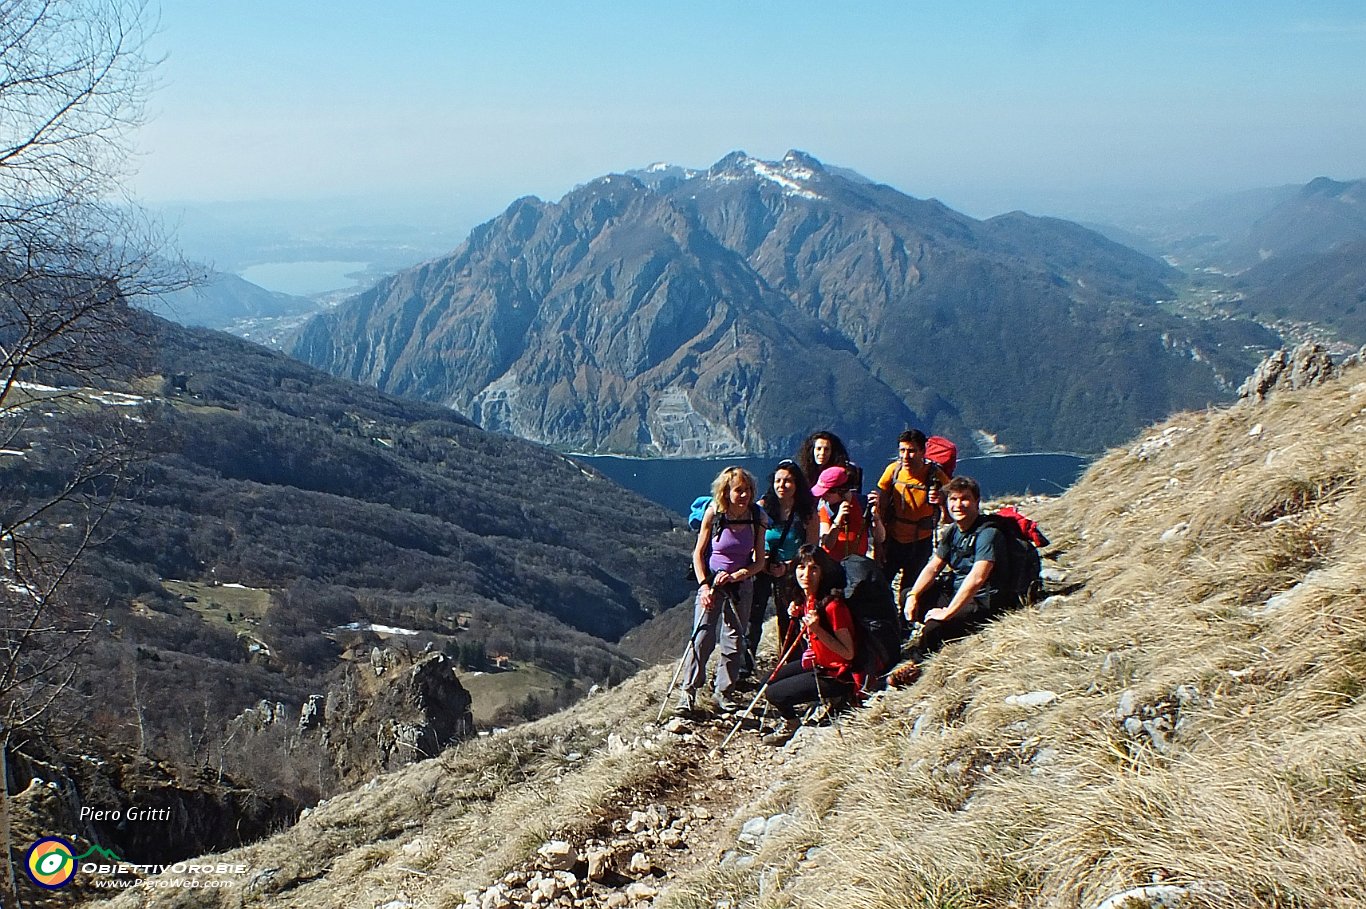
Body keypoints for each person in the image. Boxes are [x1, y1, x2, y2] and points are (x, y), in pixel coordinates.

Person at [676, 466, 768, 716]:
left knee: (734, 638)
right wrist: (704, 586)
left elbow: (760, 560)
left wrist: (742, 574)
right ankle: (688, 692)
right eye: (739, 490)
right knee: (703, 636)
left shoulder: (757, 517)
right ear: (725, 492)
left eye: (747, 490)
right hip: (713, 583)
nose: (744, 495)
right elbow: (698, 553)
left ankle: (724, 692)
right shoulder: (715, 514)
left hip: (740, 584)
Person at [902, 476, 1014, 657]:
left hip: (981, 600)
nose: (958, 505)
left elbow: (977, 577)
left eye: (965, 499)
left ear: (976, 502)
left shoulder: (988, 534)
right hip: (957, 591)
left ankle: (921, 662)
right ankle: (931, 634)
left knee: (934, 628)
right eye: (953, 499)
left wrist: (947, 613)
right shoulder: (953, 530)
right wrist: (913, 595)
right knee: (906, 594)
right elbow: (933, 567)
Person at [761, 544, 857, 745]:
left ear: (823, 572)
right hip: (820, 664)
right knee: (767, 681)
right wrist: (796, 618)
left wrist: (817, 630)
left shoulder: (833, 606)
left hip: (837, 675)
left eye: (814, 568)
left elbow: (848, 653)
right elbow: (810, 641)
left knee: (773, 693)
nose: (806, 574)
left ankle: (792, 723)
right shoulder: (808, 600)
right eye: (801, 567)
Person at [869, 430, 949, 628]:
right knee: (880, 583)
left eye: (911, 451)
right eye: (902, 451)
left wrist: (940, 502)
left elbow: (949, 514)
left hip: (920, 542)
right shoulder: (893, 471)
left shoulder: (936, 476)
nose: (906, 456)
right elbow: (883, 502)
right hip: (893, 539)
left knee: (911, 588)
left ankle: (904, 625)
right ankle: (883, 621)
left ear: (923, 451)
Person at [748, 460, 819, 669]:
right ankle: (745, 664)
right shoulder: (762, 509)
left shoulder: (807, 514)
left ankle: (790, 663)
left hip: (791, 573)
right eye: (778, 481)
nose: (782, 485)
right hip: (762, 569)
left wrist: (789, 566)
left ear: (797, 485)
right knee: (753, 616)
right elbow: (750, 540)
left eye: (787, 481)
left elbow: (811, 549)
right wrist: (764, 559)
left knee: (788, 617)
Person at [812, 465, 885, 561]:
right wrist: (838, 519)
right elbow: (827, 544)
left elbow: (880, 538)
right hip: (832, 563)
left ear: (840, 491)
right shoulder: (825, 508)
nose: (822, 497)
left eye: (826, 493)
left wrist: (875, 516)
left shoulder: (863, 504)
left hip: (857, 564)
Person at [795, 431, 858, 495]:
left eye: (826, 449)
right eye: (819, 449)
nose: (822, 453)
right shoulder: (803, 474)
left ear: (832, 452)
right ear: (812, 450)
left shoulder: (845, 473)